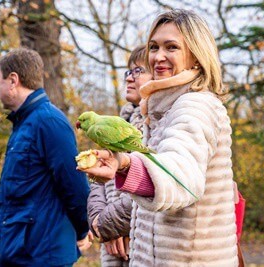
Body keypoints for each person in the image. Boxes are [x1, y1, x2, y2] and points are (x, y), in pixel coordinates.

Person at [79, 9, 238, 266]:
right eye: (154, 47)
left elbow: (178, 176)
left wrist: (126, 165)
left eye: (171, 47)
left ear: (196, 56)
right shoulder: (161, 109)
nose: (158, 56)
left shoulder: (194, 106)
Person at [0, 48, 91, 266]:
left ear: (13, 80)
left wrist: (83, 230)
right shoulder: (24, 124)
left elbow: (75, 186)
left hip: (42, 255)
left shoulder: (49, 122)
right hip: (21, 252)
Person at [87, 45, 152, 266]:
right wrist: (100, 223)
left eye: (138, 71)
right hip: (114, 245)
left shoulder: (157, 124)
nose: (129, 79)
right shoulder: (117, 123)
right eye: (128, 72)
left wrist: (109, 224)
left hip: (144, 248)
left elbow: (153, 183)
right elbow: (98, 183)